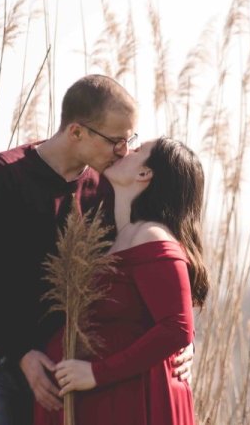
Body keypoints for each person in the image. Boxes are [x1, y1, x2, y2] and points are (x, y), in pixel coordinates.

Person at [0, 75, 193, 425]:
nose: (124, 151)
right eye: (116, 141)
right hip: (1, 356)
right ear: (76, 133)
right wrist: (22, 353)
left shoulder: (108, 189)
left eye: (130, 141)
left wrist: (184, 345)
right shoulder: (5, 176)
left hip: (70, 361)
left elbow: (156, 278)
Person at [33, 137, 209, 425]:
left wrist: (95, 374)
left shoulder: (151, 235)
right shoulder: (121, 235)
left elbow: (177, 328)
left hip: (136, 401)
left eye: (137, 150)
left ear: (144, 174)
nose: (126, 149)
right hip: (113, 399)